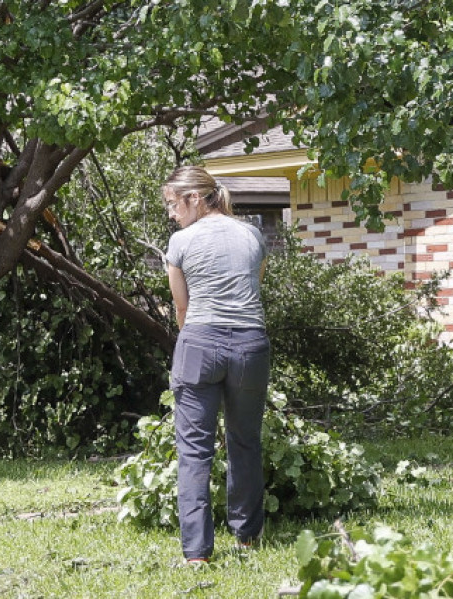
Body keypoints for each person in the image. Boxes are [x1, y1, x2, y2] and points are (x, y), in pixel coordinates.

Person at [162, 165, 271, 564]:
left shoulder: (181, 241)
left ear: (194, 198)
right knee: (245, 441)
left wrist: (198, 344)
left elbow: (182, 307)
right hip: (250, 345)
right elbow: (255, 285)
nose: (172, 213)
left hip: (200, 343)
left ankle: (196, 553)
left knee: (194, 450)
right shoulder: (253, 234)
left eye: (174, 204)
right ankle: (246, 537)